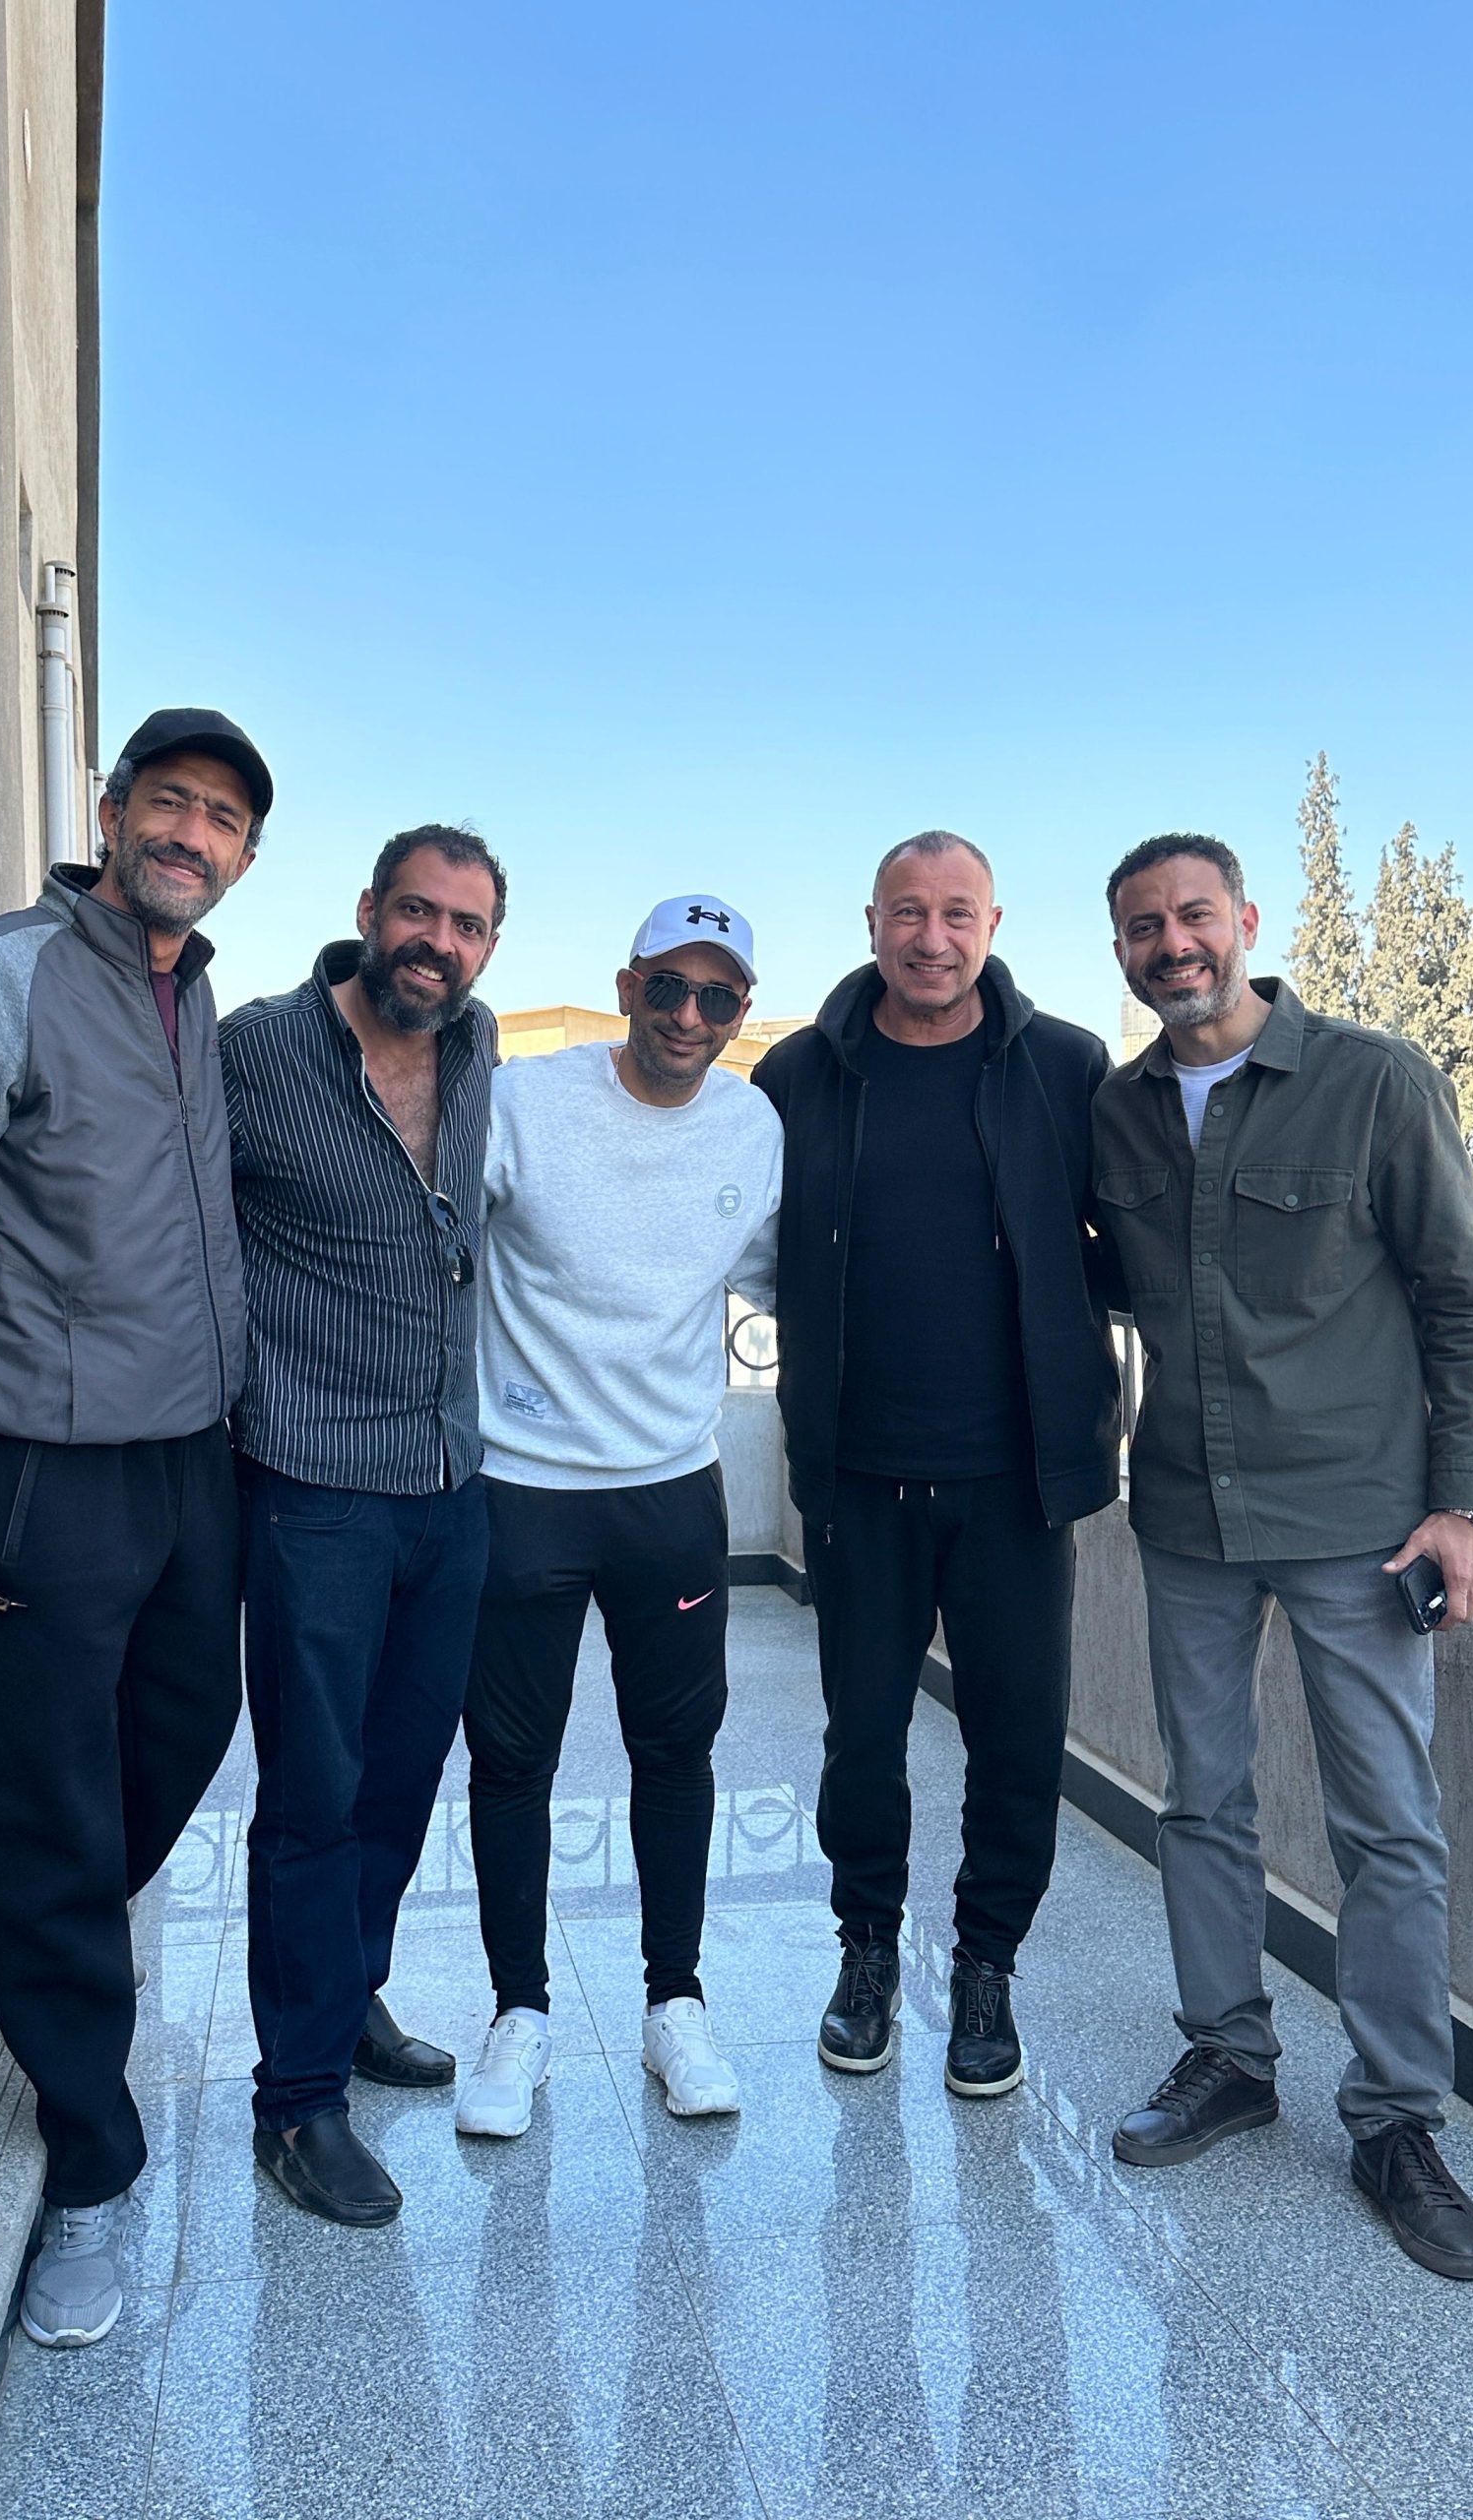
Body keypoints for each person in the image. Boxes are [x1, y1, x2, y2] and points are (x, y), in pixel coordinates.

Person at [0, 707, 270, 2349]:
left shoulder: (195, 998)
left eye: (221, 818)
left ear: (244, 856)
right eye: (169, 801)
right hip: (32, 1468)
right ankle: (89, 2160)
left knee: (185, 1733)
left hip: (188, 1464)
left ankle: (1, 1937)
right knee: (52, 1800)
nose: (189, 834)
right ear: (109, 809)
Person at [1095, 833, 1473, 2282]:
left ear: (1246, 921)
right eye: (1143, 928)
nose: (1173, 944)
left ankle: (1398, 2120)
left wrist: (1465, 1504)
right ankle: (1228, 2057)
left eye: (1193, 915)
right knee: (1201, 1800)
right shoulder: (1118, 1110)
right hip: (1189, 1517)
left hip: (1359, 1520)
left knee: (1387, 1823)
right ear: (1121, 950)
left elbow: (1463, 1301)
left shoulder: (1374, 1081)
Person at [753, 833, 1121, 2094]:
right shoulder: (798, 1071)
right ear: (870, 922)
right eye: (908, 912)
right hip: (859, 1478)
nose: (931, 937)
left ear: (993, 924)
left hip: (1019, 1482)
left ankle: (986, 1967)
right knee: (862, 1738)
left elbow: (1133, 1237)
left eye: (957, 913)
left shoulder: (1065, 1064)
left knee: (1017, 1741)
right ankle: (866, 1950)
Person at [456, 896, 784, 2137]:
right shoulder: (527, 1102)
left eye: (719, 996)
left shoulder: (752, 1126)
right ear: (627, 985)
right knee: (511, 1761)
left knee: (677, 1753)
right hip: (523, 1488)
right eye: (669, 987)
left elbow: (787, 1275)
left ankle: (674, 2002)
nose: (690, 1015)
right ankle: (518, 2012)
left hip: (670, 1494)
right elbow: (434, 1240)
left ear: (740, 1012)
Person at [222, 824, 503, 2228]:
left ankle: (352, 1994)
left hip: (452, 1481)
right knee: (313, 1796)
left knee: (399, 1782)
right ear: (368, 911)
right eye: (418, 911)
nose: (437, 942)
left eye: (466, 925)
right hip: (314, 1485)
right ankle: (296, 2097)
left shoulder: (480, 1047)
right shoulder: (256, 1051)